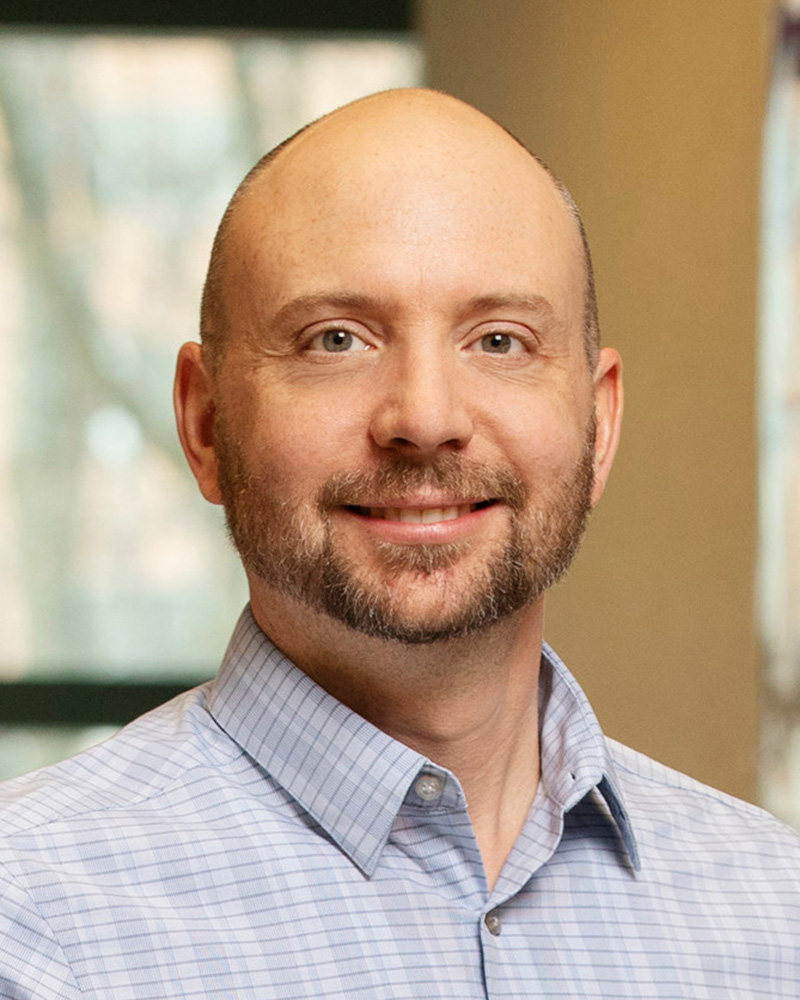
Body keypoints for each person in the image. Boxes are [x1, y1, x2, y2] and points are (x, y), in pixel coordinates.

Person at [0, 88, 798, 999]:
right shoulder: (32, 924)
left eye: (500, 340)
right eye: (336, 339)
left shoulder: (775, 915)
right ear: (207, 423)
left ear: (598, 425)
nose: (425, 417)